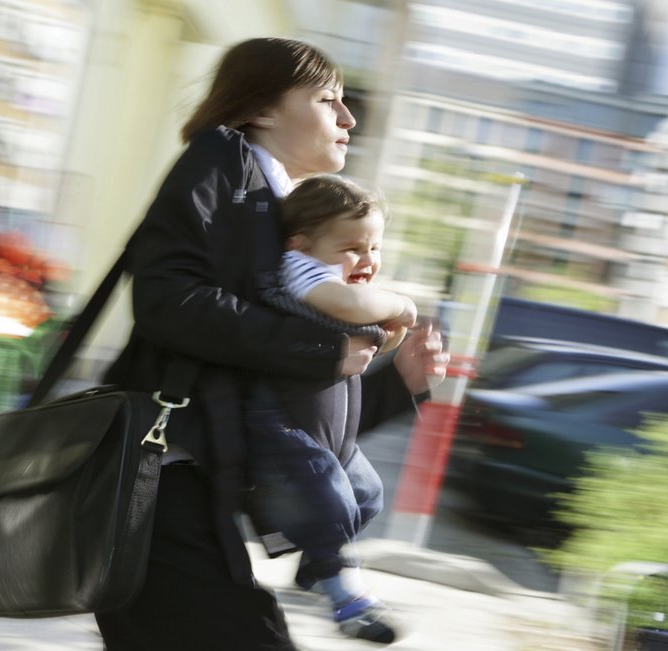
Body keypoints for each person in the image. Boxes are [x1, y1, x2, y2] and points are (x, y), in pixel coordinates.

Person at [96, 38, 449, 651]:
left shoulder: (285, 217)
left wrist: (397, 384)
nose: (348, 119)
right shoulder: (224, 163)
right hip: (160, 480)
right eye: (327, 100)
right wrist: (323, 352)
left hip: (198, 489)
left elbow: (290, 419)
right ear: (262, 110)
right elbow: (168, 302)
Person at [245, 174, 416, 644]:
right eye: (353, 247)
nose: (367, 259)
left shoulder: (336, 281)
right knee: (327, 492)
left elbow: (366, 337)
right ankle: (348, 597)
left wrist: (389, 335)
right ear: (301, 244)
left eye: (375, 247)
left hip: (327, 431)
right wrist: (399, 303)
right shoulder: (301, 270)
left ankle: (317, 568)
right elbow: (345, 301)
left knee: (366, 495)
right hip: (282, 423)